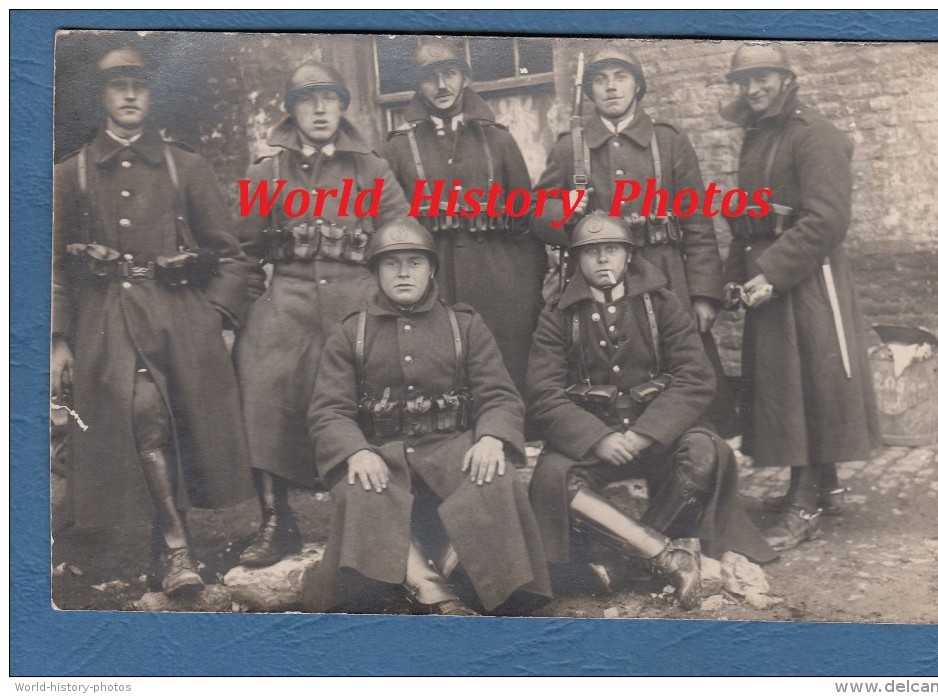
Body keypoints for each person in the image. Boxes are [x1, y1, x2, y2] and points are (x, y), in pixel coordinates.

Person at [51, 46, 253, 596]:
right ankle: (174, 546)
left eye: (139, 84)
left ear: (152, 94)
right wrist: (57, 339)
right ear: (102, 98)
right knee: (140, 416)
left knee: (157, 424)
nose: (131, 95)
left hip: (175, 318)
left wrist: (216, 317)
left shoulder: (183, 166)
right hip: (103, 323)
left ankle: (165, 546)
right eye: (119, 86)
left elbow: (230, 254)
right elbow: (49, 263)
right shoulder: (71, 174)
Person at [526, 213, 777, 609]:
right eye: (590, 253)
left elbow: (695, 377)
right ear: (577, 261)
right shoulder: (558, 314)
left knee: (705, 453)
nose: (602, 260)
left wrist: (647, 432)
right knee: (553, 478)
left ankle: (628, 558)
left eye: (611, 250)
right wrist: (598, 437)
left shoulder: (661, 303)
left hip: (658, 434)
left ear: (628, 254)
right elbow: (543, 393)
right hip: (596, 439)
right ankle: (665, 557)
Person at [302, 219, 552, 615]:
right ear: (376, 272)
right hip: (382, 454)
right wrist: (355, 451)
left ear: (431, 269)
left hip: (451, 448)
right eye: (392, 264)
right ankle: (429, 589)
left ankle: (499, 594)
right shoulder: (352, 332)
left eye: (414, 262)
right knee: (362, 487)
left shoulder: (464, 325)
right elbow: (329, 410)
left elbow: (500, 396)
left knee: (492, 477)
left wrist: (490, 439)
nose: (403, 272)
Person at [234, 62, 410, 567]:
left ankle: (372, 516)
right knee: (260, 376)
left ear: (341, 106)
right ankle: (275, 518)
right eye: (307, 100)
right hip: (285, 304)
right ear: (290, 111)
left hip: (357, 304)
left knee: (373, 395)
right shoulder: (266, 170)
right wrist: (238, 316)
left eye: (328, 99)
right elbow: (244, 251)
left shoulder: (371, 169)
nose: (318, 109)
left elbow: (402, 240)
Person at [720, 43, 879, 550]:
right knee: (786, 385)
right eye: (744, 80)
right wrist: (734, 273)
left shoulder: (817, 135)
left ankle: (803, 501)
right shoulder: (758, 134)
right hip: (770, 275)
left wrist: (773, 272)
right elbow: (748, 217)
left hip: (808, 279)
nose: (753, 89)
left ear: (786, 79)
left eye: (763, 77)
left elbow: (828, 218)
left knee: (806, 386)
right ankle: (824, 485)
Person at [531, 45, 737, 436]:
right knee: (608, 359)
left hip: (665, 270)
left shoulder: (669, 141)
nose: (611, 88)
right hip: (601, 275)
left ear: (638, 86)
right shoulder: (568, 148)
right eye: (600, 80)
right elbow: (539, 215)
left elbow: (697, 221)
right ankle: (611, 445)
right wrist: (567, 212)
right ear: (590, 91)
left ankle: (685, 452)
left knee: (679, 365)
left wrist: (704, 293)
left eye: (620, 77)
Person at [381, 39, 547, 394]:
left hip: (500, 282)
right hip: (434, 283)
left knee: (505, 372)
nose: (441, 86)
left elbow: (525, 221)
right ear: (417, 85)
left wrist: (528, 291)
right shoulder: (397, 147)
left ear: (465, 78)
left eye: (450, 74)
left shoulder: (498, 140)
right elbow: (390, 228)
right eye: (430, 78)